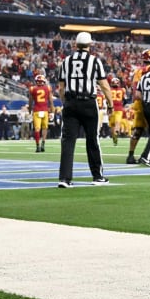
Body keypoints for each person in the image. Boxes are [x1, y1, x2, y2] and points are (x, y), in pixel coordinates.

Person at [56, 31, 112, 188]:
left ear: (76, 45)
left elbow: (61, 88)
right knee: (92, 140)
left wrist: (65, 103)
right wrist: (110, 104)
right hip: (88, 103)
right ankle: (97, 176)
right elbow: (104, 86)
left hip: (70, 102)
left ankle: (64, 178)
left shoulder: (66, 61)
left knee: (68, 141)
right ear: (89, 45)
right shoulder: (94, 61)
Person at [126, 49, 150, 164]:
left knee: (138, 129)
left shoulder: (138, 71)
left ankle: (130, 155)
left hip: (138, 102)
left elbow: (135, 89)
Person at [29, 73, 53, 153]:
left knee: (37, 129)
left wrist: (29, 111)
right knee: (45, 128)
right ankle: (43, 144)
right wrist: (52, 111)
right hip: (45, 110)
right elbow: (51, 101)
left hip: (37, 110)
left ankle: (38, 146)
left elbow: (30, 102)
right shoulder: (48, 88)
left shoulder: (33, 89)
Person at [108, 77, 126, 146]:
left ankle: (114, 137)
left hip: (111, 108)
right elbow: (124, 99)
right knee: (116, 123)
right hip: (119, 108)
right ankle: (116, 133)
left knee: (112, 125)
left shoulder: (109, 90)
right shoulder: (123, 90)